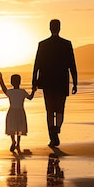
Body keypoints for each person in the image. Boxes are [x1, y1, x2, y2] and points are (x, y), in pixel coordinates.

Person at [32, 19, 78, 147]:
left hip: (47, 81)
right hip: (61, 81)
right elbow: (72, 64)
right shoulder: (66, 44)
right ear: (59, 28)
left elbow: (37, 64)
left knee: (49, 110)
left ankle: (53, 136)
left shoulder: (43, 44)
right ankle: (56, 128)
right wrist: (75, 82)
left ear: (50, 28)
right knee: (60, 108)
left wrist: (34, 81)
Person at [4, 74, 35, 153]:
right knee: (19, 127)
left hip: (12, 111)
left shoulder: (10, 91)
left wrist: (0, 80)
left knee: (12, 127)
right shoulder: (22, 91)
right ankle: (18, 143)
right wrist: (33, 91)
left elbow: (4, 89)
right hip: (20, 111)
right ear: (20, 82)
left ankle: (13, 141)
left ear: (11, 82)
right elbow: (30, 97)